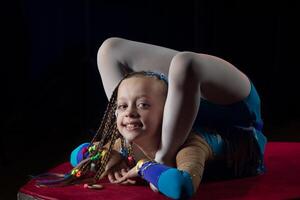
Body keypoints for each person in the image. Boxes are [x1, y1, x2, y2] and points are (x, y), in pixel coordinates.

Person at [36, 38, 267, 199]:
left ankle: (163, 153)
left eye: (140, 105)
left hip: (234, 115)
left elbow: (180, 187)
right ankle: (138, 106)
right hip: (178, 103)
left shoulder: (187, 145)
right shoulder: (136, 142)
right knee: (109, 49)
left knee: (184, 63)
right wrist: (111, 156)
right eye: (123, 107)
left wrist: (145, 164)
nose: (129, 114)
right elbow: (79, 154)